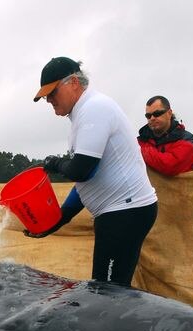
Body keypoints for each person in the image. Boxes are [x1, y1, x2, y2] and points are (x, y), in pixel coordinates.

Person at [26, 57, 158, 287]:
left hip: (125, 211)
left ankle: (120, 323)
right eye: (45, 96)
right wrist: (59, 220)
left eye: (52, 92)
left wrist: (55, 163)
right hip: (119, 212)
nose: (48, 100)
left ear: (74, 83)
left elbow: (81, 170)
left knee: (107, 292)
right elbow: (87, 182)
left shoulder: (95, 108)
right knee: (106, 289)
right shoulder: (83, 114)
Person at [137, 95, 193, 175]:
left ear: (169, 113)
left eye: (157, 113)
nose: (152, 118)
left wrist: (139, 150)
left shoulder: (187, 140)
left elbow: (170, 166)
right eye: (148, 116)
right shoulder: (140, 141)